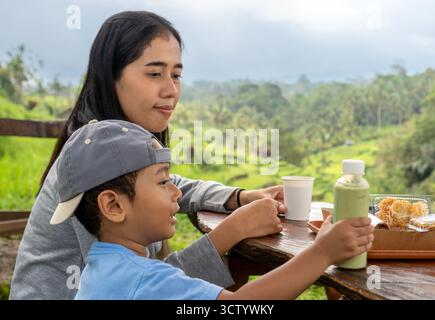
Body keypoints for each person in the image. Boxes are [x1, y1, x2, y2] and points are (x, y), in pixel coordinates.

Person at [10, 11, 286, 300]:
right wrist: (231, 231)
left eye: (176, 75)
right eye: (155, 73)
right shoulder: (89, 167)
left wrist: (238, 197)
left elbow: (172, 185)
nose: (171, 90)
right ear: (111, 76)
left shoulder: (104, 150)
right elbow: (149, 287)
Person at [51, 120, 374, 300]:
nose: (177, 191)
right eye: (163, 182)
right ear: (114, 205)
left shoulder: (104, 267)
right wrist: (322, 253)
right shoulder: (144, 280)